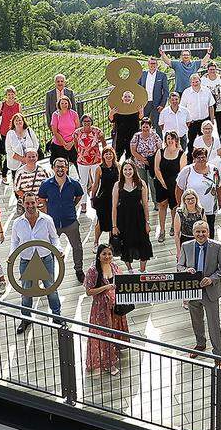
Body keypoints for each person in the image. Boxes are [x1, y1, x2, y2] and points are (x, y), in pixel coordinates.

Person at [177, 220, 221, 363]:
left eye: (203, 231)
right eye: (198, 232)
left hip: (210, 291)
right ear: (193, 233)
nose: (201, 234)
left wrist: (212, 279)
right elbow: (180, 265)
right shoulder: (186, 246)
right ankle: (200, 344)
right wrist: (185, 271)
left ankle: (218, 354)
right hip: (193, 291)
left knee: (214, 323)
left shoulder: (217, 246)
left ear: (208, 232)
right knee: (196, 321)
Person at [13, 193, 63, 329]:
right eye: (27, 203)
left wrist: (58, 249)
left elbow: (54, 238)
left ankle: (57, 317)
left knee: (51, 289)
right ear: (23, 204)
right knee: (25, 292)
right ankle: (26, 319)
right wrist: (12, 256)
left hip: (45, 258)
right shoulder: (17, 223)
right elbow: (15, 242)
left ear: (37, 203)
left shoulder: (47, 220)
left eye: (32, 203)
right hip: (26, 259)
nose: (30, 206)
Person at [38, 157, 86, 283]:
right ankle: (49, 273)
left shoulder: (74, 183)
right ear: (53, 168)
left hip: (70, 221)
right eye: (57, 166)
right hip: (53, 223)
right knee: (50, 249)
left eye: (62, 166)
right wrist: (47, 213)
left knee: (77, 247)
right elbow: (42, 199)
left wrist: (71, 206)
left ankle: (79, 270)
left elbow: (79, 195)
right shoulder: (46, 184)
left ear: (67, 168)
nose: (60, 169)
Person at [84, 244, 129, 376]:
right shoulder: (93, 271)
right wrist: (106, 287)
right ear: (98, 256)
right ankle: (108, 363)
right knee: (105, 334)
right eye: (104, 254)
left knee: (114, 330)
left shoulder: (114, 266)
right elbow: (88, 292)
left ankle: (115, 351)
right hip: (101, 308)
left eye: (109, 254)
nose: (107, 256)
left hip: (115, 305)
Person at [112, 162, 153, 272]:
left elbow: (145, 204)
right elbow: (114, 207)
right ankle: (130, 270)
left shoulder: (141, 183)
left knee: (143, 243)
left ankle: (142, 270)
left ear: (134, 170)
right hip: (123, 219)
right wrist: (114, 226)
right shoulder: (118, 185)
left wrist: (147, 222)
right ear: (122, 171)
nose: (128, 172)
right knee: (126, 244)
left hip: (139, 218)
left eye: (130, 169)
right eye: (125, 169)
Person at [177, 148, 221, 235]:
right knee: (194, 235)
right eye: (198, 157)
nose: (201, 159)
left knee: (209, 233)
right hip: (192, 211)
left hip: (209, 209)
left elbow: (219, 186)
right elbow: (179, 189)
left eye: (203, 157)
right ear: (194, 159)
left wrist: (220, 200)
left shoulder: (214, 170)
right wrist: (181, 205)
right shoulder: (187, 171)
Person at [153, 132, 187, 241]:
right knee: (162, 205)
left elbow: (182, 172)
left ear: (176, 140)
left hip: (175, 184)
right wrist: (162, 182)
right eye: (168, 138)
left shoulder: (181, 154)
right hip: (161, 182)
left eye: (172, 138)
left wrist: (177, 185)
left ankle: (173, 225)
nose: (170, 140)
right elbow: (157, 168)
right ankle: (162, 230)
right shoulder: (160, 152)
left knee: (174, 207)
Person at [90, 147, 120, 246]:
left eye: (110, 153)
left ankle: (111, 243)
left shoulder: (118, 166)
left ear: (113, 155)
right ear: (103, 156)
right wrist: (92, 197)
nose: (108, 156)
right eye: (106, 154)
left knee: (113, 221)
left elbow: (121, 182)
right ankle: (96, 242)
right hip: (103, 198)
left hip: (115, 197)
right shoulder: (99, 168)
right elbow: (96, 184)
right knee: (100, 222)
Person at [0, 86, 21, 176]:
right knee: (10, 154)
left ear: (15, 95)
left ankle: (12, 174)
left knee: (16, 153)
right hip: (5, 133)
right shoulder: (2, 105)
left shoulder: (18, 105)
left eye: (12, 94)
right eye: (8, 95)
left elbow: (21, 120)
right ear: (6, 96)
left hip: (16, 133)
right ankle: (6, 174)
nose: (10, 96)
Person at [72, 114, 105, 196]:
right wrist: (81, 153)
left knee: (97, 181)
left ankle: (96, 199)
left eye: (89, 121)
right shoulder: (77, 133)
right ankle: (83, 204)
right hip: (82, 161)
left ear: (91, 122)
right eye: (85, 121)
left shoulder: (97, 131)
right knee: (83, 183)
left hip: (96, 160)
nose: (87, 123)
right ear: (81, 122)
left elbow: (104, 143)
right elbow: (76, 145)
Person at [129, 117, 162, 196]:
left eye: (147, 127)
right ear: (141, 127)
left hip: (152, 163)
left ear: (150, 127)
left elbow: (160, 149)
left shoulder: (155, 135)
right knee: (142, 183)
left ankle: (156, 203)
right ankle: (144, 201)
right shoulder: (136, 136)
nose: (145, 128)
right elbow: (133, 150)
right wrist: (143, 160)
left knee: (153, 183)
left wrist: (152, 161)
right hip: (140, 163)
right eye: (143, 127)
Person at [13, 149, 51, 218]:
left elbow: (50, 186)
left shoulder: (43, 170)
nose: (31, 159)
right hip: (27, 207)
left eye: (33, 156)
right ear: (25, 157)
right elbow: (17, 189)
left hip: (41, 206)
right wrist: (30, 199)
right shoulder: (20, 172)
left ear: (37, 157)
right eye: (29, 157)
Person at [181, 73, 216, 148]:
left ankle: (206, 157)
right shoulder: (186, 92)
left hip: (205, 121)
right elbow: (182, 109)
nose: (195, 84)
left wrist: (212, 119)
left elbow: (211, 106)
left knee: (205, 141)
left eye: (197, 82)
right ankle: (190, 158)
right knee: (191, 142)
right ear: (190, 83)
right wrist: (185, 122)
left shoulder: (207, 91)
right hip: (192, 122)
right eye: (193, 82)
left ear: (200, 81)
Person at [4, 113, 39, 184]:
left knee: (31, 181)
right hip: (16, 163)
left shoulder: (29, 130)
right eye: (16, 121)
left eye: (20, 120)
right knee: (17, 183)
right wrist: (22, 159)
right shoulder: (10, 134)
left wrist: (30, 156)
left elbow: (36, 144)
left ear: (23, 121)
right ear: (13, 123)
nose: (18, 122)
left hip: (30, 161)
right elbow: (9, 150)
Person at [138, 56, 170, 130]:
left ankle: (159, 141)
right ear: (148, 64)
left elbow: (166, 92)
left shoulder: (162, 75)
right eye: (151, 63)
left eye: (154, 63)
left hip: (157, 104)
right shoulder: (143, 74)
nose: (152, 65)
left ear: (157, 64)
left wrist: (162, 104)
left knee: (157, 124)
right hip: (145, 103)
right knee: (143, 123)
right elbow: (138, 88)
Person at [48, 96, 81, 165]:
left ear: (69, 104)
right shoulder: (55, 115)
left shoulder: (74, 114)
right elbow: (55, 132)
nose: (64, 105)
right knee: (63, 166)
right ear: (59, 104)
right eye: (62, 103)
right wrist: (65, 144)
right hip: (59, 145)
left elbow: (78, 130)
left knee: (77, 164)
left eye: (66, 103)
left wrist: (71, 143)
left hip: (73, 144)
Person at [173, 189, 207, 255]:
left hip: (200, 241)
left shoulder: (201, 211)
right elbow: (176, 234)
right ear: (184, 201)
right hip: (185, 242)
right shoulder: (180, 213)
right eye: (188, 199)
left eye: (192, 198)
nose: (190, 201)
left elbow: (205, 229)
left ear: (196, 199)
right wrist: (178, 251)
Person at [201, 61, 221, 132]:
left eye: (214, 69)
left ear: (216, 70)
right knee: (207, 127)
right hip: (208, 108)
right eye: (210, 69)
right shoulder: (203, 80)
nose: (212, 71)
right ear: (207, 70)